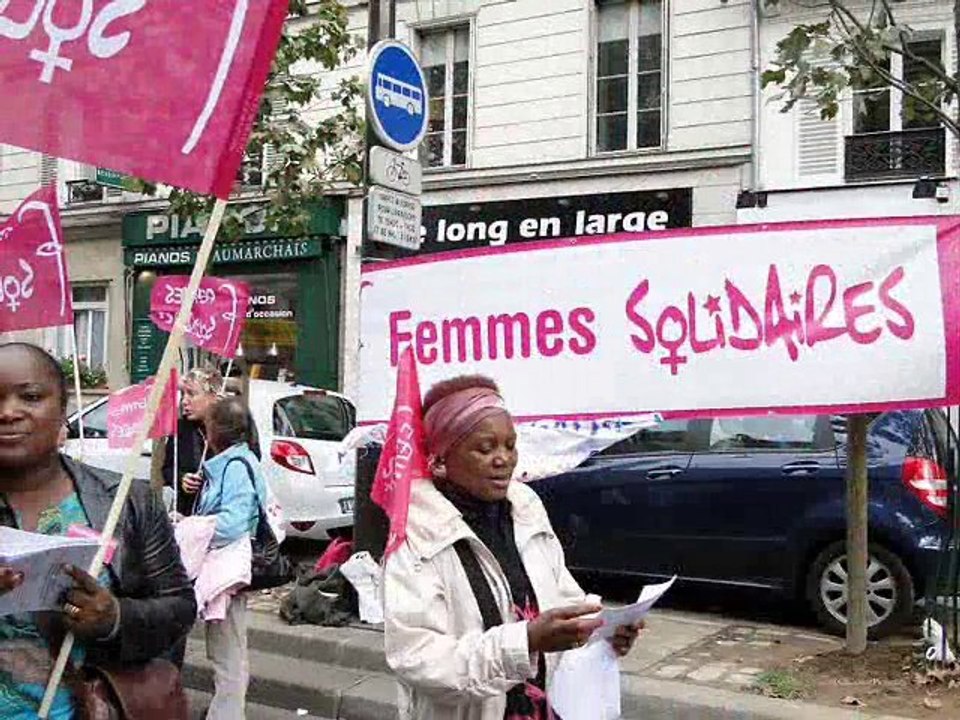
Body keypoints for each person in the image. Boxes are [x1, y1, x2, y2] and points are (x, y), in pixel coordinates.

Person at [383, 375, 643, 720]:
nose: (503, 459)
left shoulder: (526, 508)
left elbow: (562, 594)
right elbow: (418, 659)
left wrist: (602, 631)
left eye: (510, 445)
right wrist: (524, 642)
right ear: (441, 460)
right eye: (485, 448)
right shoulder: (415, 538)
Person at [0, 342, 196, 718]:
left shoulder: (127, 500)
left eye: (30, 396)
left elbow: (179, 607)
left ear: (62, 412)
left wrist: (113, 619)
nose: (9, 412)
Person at [192, 396, 268, 720]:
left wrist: (193, 527)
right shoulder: (238, 461)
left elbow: (234, 523)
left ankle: (227, 715)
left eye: (207, 426)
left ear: (217, 431)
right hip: (226, 571)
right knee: (226, 649)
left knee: (228, 652)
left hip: (227, 572)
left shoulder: (235, 466)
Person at [163, 367, 260, 517]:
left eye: (192, 394)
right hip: (188, 515)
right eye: (183, 394)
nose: (184, 401)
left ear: (214, 396)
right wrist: (182, 479)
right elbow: (168, 469)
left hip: (224, 516)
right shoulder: (181, 429)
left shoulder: (234, 427)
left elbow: (252, 460)